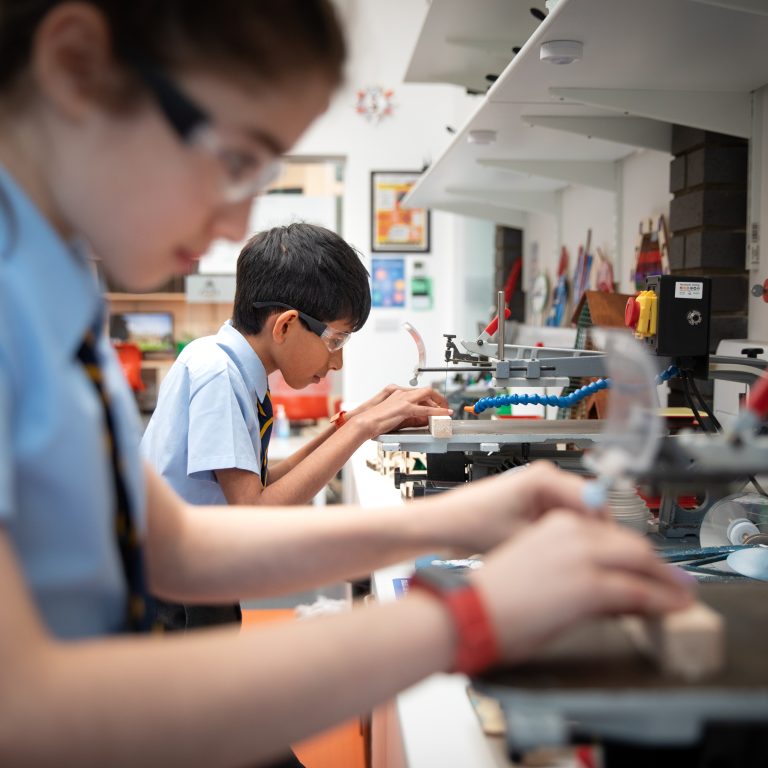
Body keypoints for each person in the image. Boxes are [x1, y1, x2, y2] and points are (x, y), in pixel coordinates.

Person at [0, 2, 693, 765]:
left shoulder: (56, 286)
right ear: (75, 69)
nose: (236, 224)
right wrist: (468, 615)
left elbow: (171, 542)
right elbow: (27, 707)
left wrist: (456, 519)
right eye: (236, 161)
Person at [141, 221, 451, 630]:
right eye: (335, 341)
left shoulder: (229, 366)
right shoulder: (218, 374)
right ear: (286, 325)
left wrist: (356, 422)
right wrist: (359, 429)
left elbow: (262, 484)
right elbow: (255, 516)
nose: (336, 362)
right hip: (174, 599)